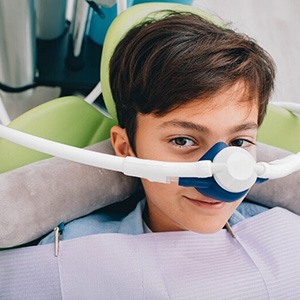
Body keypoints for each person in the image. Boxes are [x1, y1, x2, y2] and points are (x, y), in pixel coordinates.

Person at [40, 9, 276, 243]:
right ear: (125, 147)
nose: (221, 174)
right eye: (183, 140)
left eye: (239, 142)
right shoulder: (73, 251)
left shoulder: (284, 236)